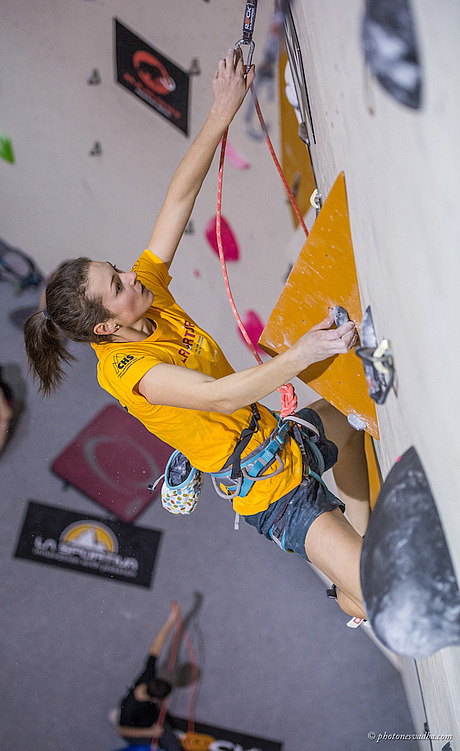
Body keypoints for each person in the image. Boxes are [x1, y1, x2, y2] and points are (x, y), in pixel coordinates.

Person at [24, 49, 370, 618]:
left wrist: (221, 112)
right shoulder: (130, 373)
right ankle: (359, 594)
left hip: (278, 437)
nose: (132, 275)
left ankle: (359, 554)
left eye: (118, 268)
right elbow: (220, 396)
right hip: (270, 491)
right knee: (381, 594)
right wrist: (304, 352)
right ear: (107, 326)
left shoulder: (147, 296)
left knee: (352, 427)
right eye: (117, 284)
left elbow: (179, 199)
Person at [116, 601, 183, 749]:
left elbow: (156, 646)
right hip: (138, 731)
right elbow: (121, 730)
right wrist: (150, 732)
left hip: (152, 720)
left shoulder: (148, 675)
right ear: (155, 699)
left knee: (175, 747)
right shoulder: (130, 707)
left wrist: (172, 619)